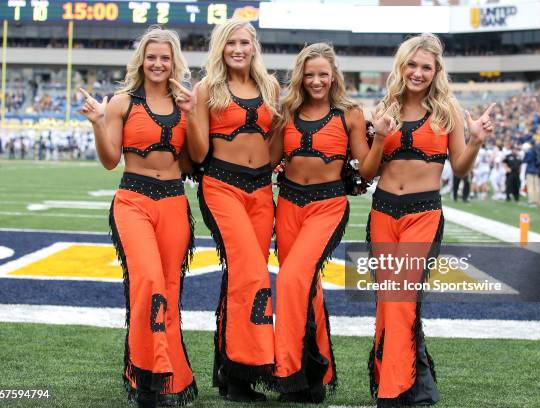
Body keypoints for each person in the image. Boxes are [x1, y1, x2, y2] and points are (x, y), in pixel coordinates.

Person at [366, 33, 494, 407]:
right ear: (401, 66)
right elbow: (369, 172)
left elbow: (461, 168)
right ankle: (414, 384)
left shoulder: (447, 110)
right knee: (389, 301)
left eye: (426, 67)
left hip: (423, 213)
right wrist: (379, 138)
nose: (418, 73)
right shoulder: (385, 106)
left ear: (436, 72)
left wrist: (476, 141)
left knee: (402, 298)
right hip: (383, 211)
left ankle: (395, 391)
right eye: (412, 65)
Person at [79, 27, 199, 408]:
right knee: (147, 282)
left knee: (170, 289)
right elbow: (109, 159)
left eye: (165, 58)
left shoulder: (186, 102)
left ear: (174, 61)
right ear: (141, 61)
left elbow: (195, 157)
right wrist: (99, 122)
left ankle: (171, 378)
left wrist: (193, 115)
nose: (158, 64)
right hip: (133, 200)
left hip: (174, 201)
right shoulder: (120, 102)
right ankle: (148, 377)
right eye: (151, 57)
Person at [269, 43, 385, 403]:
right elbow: (270, 158)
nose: (316, 81)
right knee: (307, 289)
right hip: (287, 204)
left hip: (327, 206)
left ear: (334, 75)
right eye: (309, 74)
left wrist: (378, 134)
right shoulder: (287, 110)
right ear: (300, 76)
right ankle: (317, 375)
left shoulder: (349, 113)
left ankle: (289, 372)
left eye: (323, 74)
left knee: (290, 281)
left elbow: (367, 169)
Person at [181, 18, 279, 402]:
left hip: (260, 191)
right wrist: (191, 112)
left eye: (244, 42)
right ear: (220, 48)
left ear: (254, 46)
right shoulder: (207, 88)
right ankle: (241, 372)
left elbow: (274, 143)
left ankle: (228, 370)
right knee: (250, 273)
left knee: (243, 278)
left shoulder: (270, 86)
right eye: (230, 43)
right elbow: (200, 153)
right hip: (222, 188)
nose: (238, 49)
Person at [523, 141, 540, 206]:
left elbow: (525, 160)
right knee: (537, 186)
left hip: (530, 170)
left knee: (531, 186)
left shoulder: (529, 152)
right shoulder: (537, 151)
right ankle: (538, 200)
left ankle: (531, 200)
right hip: (536, 170)